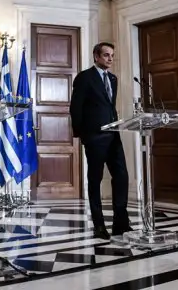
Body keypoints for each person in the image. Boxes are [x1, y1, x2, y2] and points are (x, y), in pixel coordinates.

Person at [69, 42, 132, 239]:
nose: (110, 59)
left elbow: (110, 106)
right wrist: (82, 135)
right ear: (96, 56)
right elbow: (75, 108)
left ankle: (121, 223)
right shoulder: (84, 78)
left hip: (113, 135)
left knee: (121, 176)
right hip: (94, 137)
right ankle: (99, 225)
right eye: (106, 55)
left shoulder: (113, 78)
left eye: (112, 55)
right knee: (94, 180)